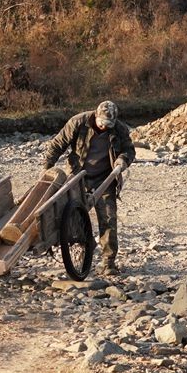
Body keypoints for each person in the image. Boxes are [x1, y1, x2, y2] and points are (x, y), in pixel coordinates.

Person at [42, 100, 135, 274]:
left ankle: (109, 262)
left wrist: (122, 160)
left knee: (108, 218)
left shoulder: (119, 129)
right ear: (96, 115)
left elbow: (129, 150)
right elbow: (57, 144)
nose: (105, 127)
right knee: (73, 214)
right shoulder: (78, 122)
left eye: (109, 125)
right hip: (78, 176)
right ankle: (85, 243)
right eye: (102, 123)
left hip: (105, 178)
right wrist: (47, 168)